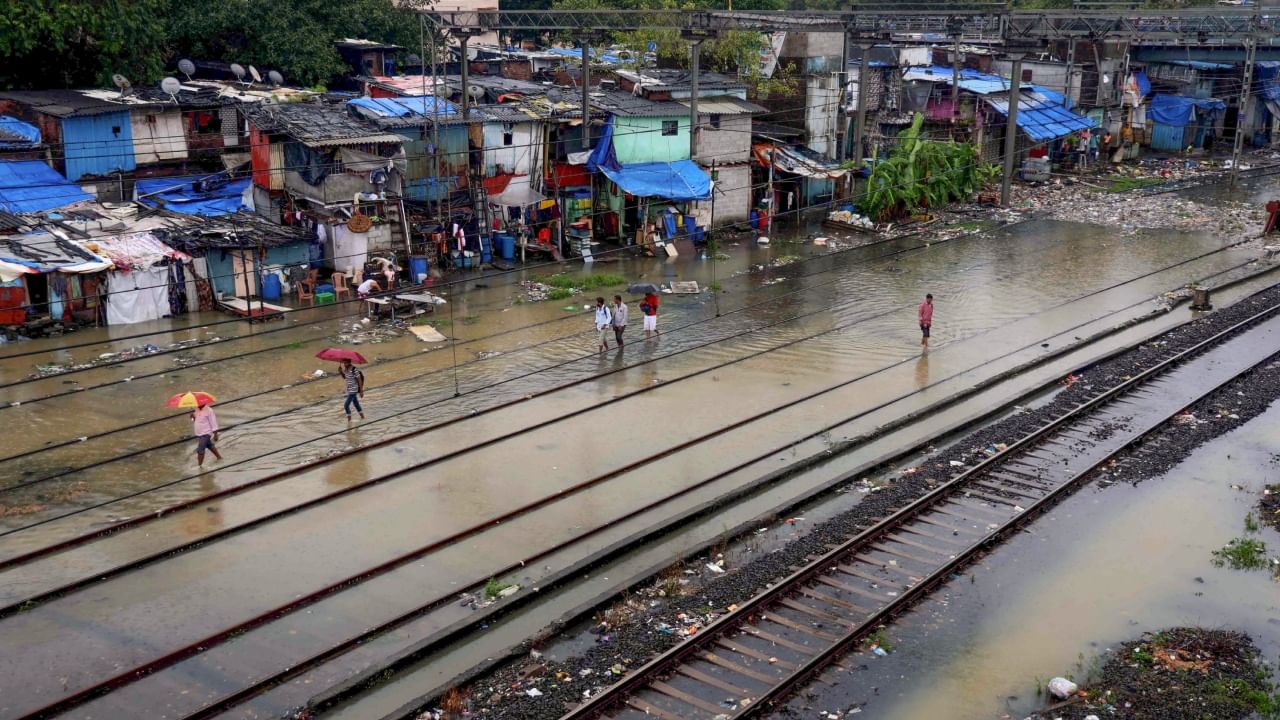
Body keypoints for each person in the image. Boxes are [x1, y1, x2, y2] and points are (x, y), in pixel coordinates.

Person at [191, 400, 222, 467]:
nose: (197, 404)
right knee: (209, 445)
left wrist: (215, 434)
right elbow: (195, 420)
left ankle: (199, 466)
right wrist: (193, 417)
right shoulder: (197, 409)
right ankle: (219, 457)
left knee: (200, 449)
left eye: (199, 403)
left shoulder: (209, 410)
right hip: (199, 432)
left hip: (206, 433)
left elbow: (213, 422)